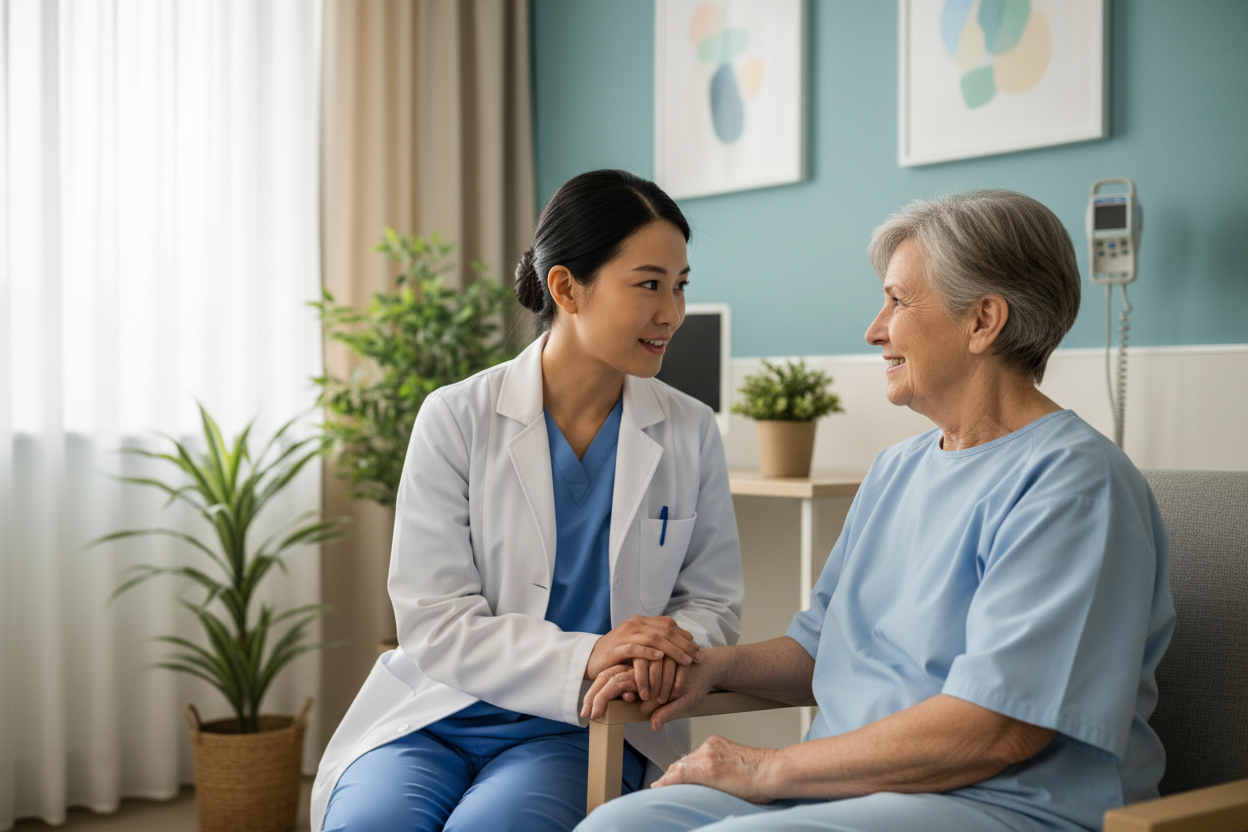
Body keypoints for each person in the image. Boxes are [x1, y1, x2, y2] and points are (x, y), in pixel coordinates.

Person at [577, 190, 1175, 832]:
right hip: (847, 793)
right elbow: (822, 648)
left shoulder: (1074, 484)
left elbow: (996, 730)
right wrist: (709, 666)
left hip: (1001, 804)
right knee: (615, 827)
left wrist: (766, 769)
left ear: (983, 320)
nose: (874, 329)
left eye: (897, 300)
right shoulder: (898, 468)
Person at [312, 169, 745, 832]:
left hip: (580, 728)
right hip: (438, 713)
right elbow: (434, 619)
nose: (673, 313)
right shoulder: (456, 417)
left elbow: (713, 602)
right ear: (567, 288)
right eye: (649, 284)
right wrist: (592, 651)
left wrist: (663, 651)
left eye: (680, 286)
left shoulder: (689, 430)